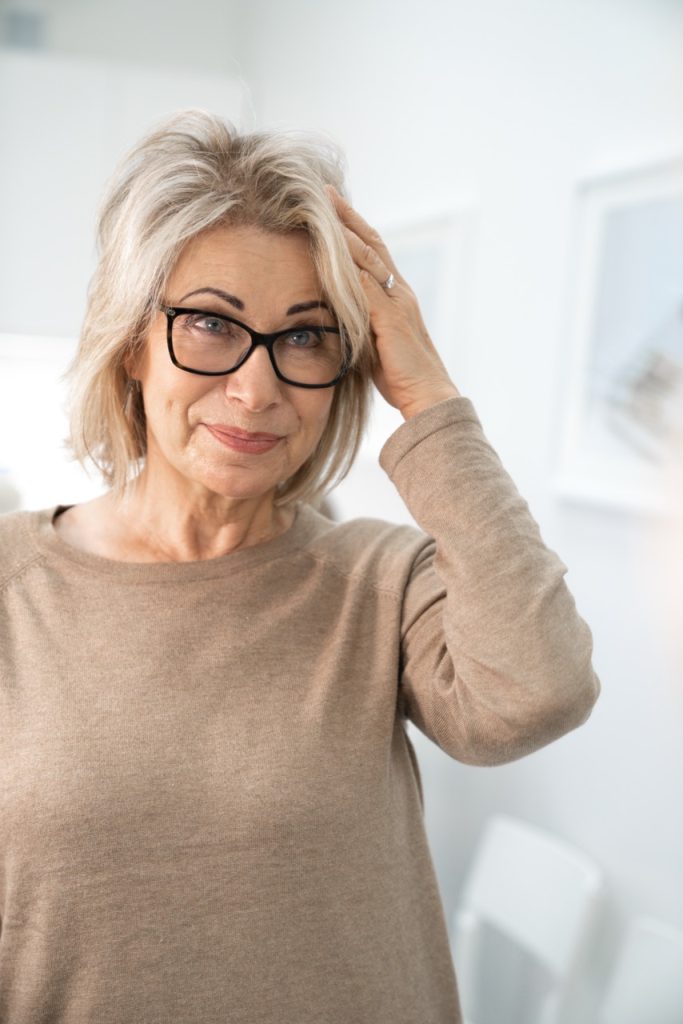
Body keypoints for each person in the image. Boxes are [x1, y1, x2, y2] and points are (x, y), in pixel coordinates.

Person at [0, 109, 600, 1024]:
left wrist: (427, 393)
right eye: (210, 323)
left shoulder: (380, 582)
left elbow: (542, 689)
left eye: (307, 336)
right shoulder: (13, 588)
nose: (256, 387)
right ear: (131, 343)